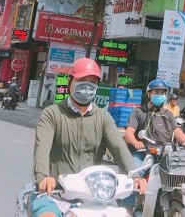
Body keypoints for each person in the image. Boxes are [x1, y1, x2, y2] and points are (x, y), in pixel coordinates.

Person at [31, 58, 146, 217]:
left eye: (92, 82)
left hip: (92, 196)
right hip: (54, 193)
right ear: (70, 82)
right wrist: (43, 177)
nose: (87, 86)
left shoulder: (103, 117)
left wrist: (135, 175)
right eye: (81, 80)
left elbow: (119, 148)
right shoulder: (52, 114)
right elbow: (42, 149)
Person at [125, 79, 185, 152]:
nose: (159, 95)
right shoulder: (138, 112)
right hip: (143, 151)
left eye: (162, 93)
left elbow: (177, 132)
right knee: (135, 160)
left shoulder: (167, 114)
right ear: (149, 94)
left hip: (165, 152)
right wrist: (135, 142)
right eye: (156, 92)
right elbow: (129, 132)